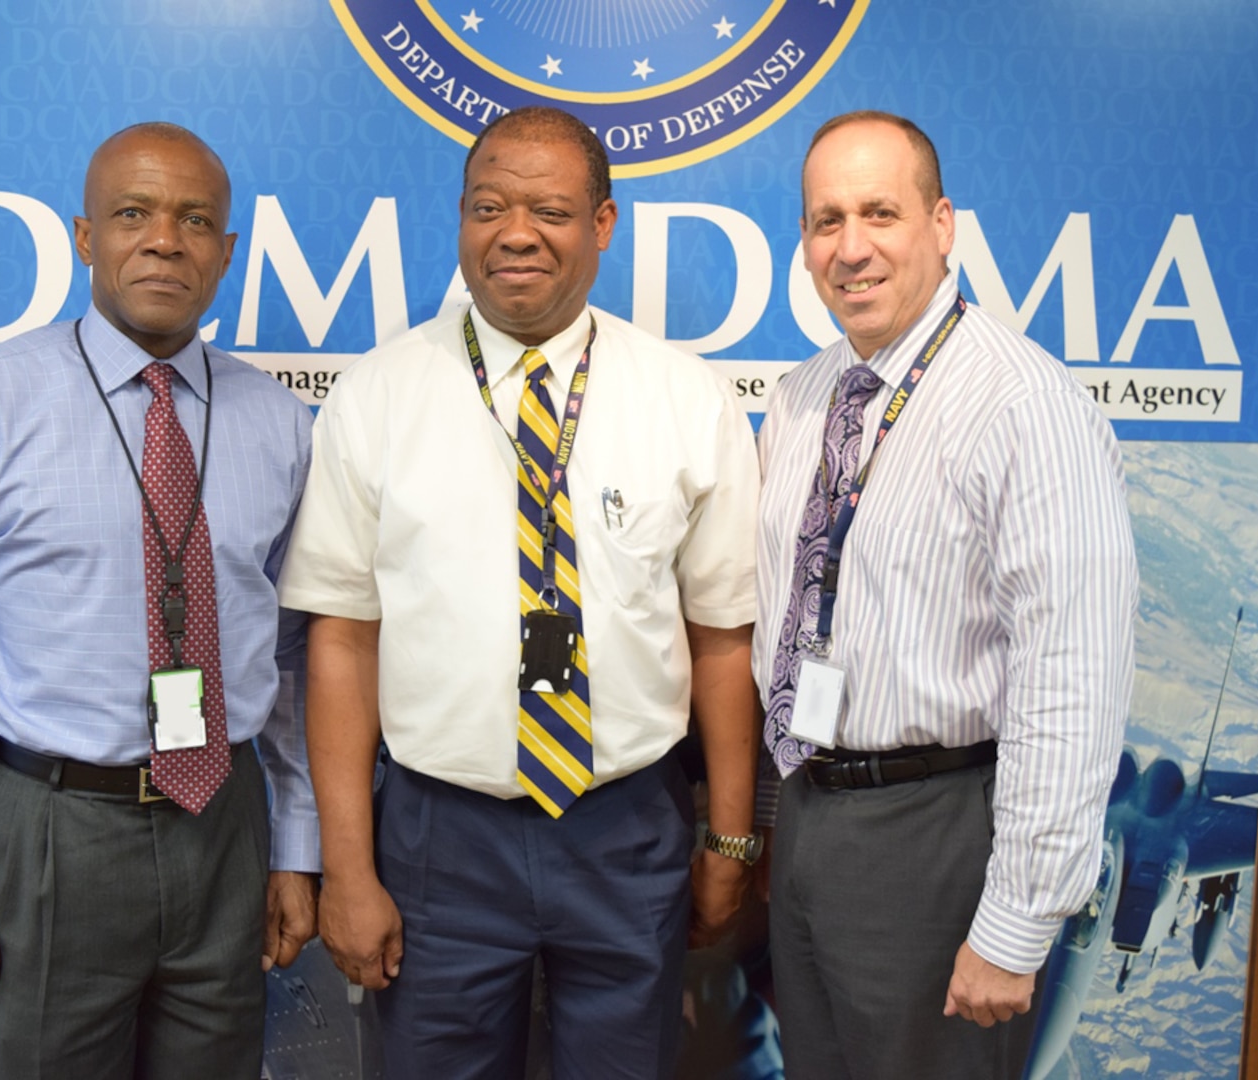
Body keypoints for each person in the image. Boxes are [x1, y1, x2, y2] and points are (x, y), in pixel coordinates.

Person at [276, 105, 762, 1079]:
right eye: (489, 206)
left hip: (627, 830)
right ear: (460, 216)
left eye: (549, 209)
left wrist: (732, 838)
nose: (516, 233)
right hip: (438, 838)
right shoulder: (380, 394)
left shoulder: (684, 397)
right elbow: (341, 640)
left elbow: (721, 637)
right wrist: (350, 866)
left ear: (603, 224)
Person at [0, 121, 319, 1079]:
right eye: (132, 214)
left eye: (195, 221)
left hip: (223, 824)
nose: (163, 240)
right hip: (51, 829)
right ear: (82, 235)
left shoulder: (281, 423)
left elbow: (297, 656)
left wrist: (296, 844)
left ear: (226, 253)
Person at [754, 109, 1137, 1079]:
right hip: (808, 817)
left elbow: (1072, 675)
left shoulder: (1025, 407)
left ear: (942, 224)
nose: (850, 248)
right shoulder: (803, 399)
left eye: (879, 212)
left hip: (937, 830)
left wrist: (1017, 919)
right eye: (825, 220)